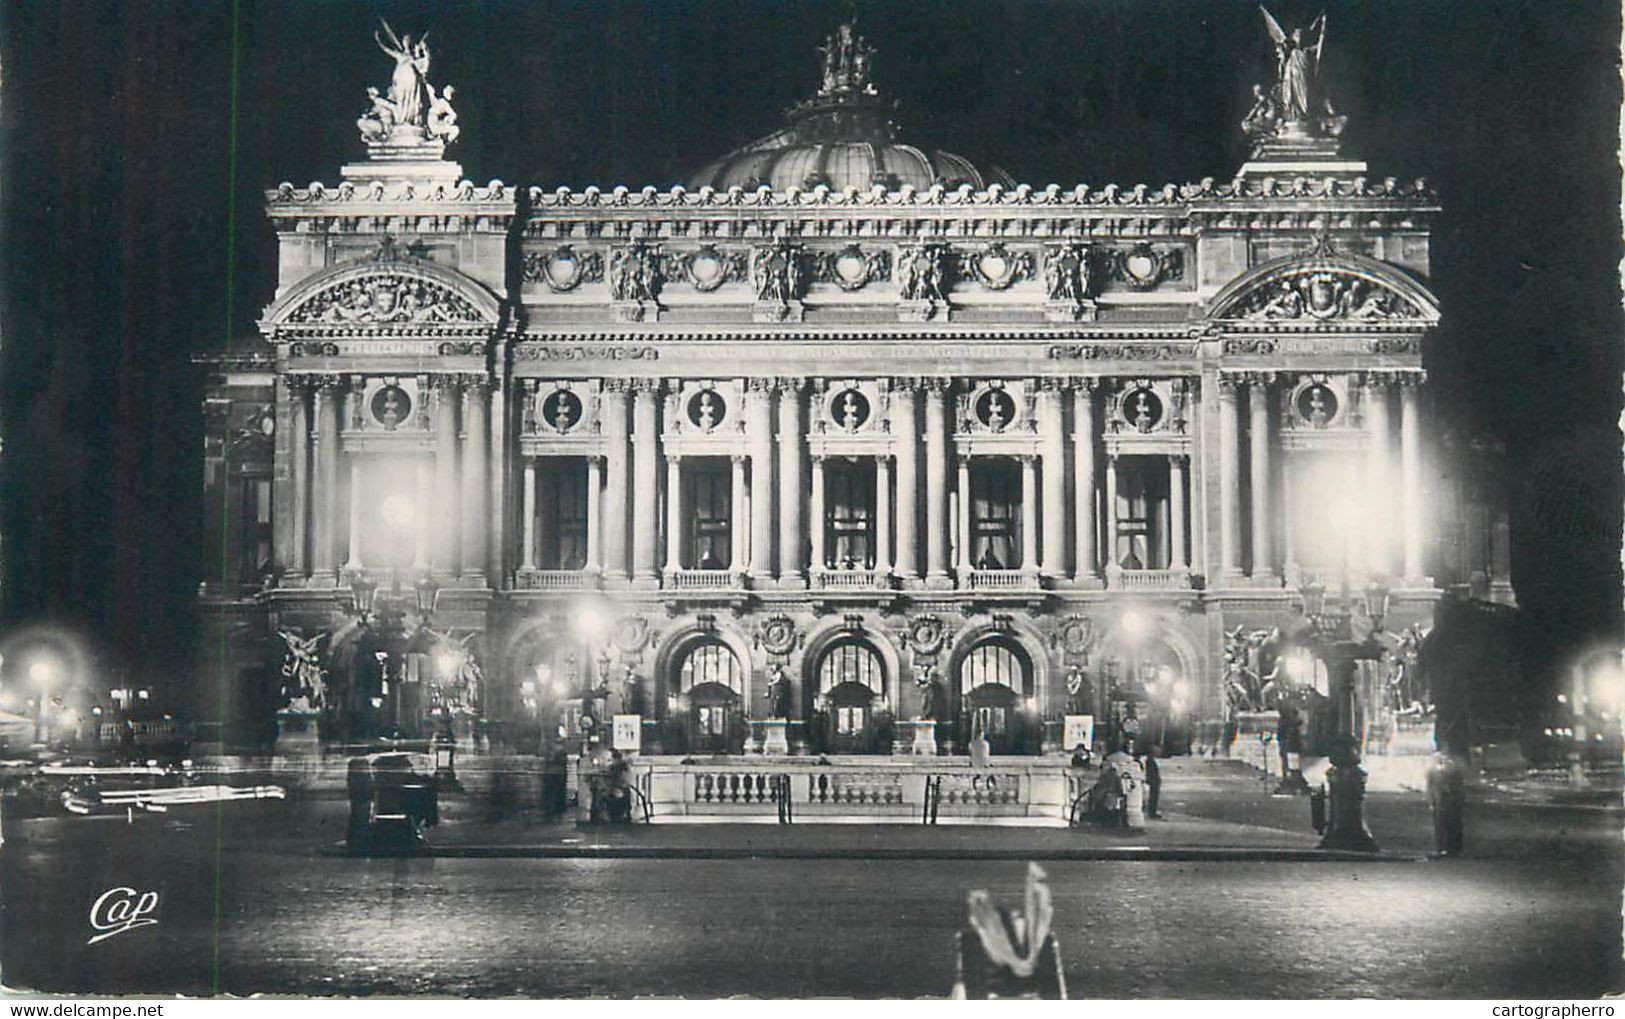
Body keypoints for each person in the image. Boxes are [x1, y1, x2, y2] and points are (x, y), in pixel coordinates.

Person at [1425, 751, 1466, 857]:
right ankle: (1441, 848)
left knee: (1454, 825)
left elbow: (1460, 787)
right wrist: (1431, 802)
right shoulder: (1433, 771)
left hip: (1452, 802)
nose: (1446, 762)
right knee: (1440, 826)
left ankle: (1454, 848)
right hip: (1440, 802)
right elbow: (1429, 788)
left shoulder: (1455, 772)